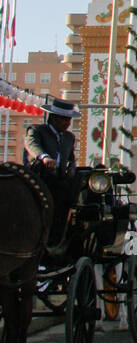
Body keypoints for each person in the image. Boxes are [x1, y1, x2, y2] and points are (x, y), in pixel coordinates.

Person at [24, 97, 80, 244]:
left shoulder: (69, 137)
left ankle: (58, 240)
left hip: (60, 181)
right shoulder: (37, 130)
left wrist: (71, 168)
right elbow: (32, 145)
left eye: (69, 120)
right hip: (39, 176)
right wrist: (44, 158)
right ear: (54, 119)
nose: (68, 123)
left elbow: (71, 158)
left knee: (70, 201)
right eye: (65, 120)